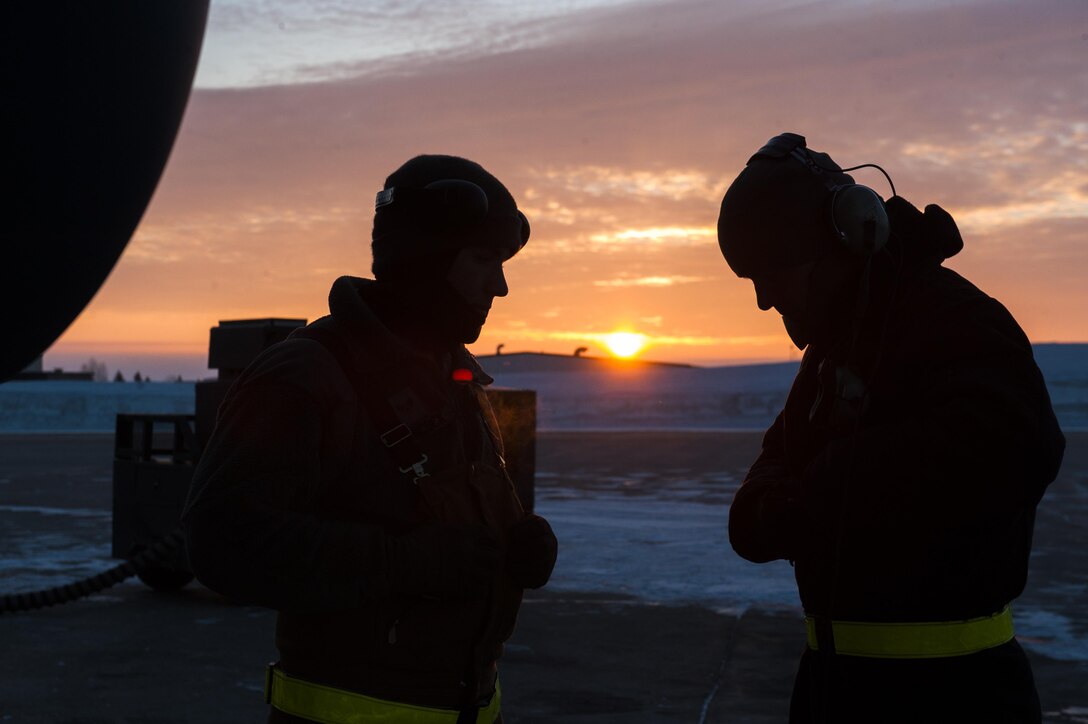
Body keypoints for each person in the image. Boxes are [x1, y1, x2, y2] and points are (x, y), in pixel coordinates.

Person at [182, 154, 558, 724]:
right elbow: (223, 539)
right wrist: (404, 562)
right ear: (426, 258)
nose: (500, 286)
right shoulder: (306, 376)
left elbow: (440, 514)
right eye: (483, 259)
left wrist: (515, 540)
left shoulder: (455, 377)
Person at [717, 133, 1065, 723]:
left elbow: (1012, 446)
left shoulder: (957, 321)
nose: (764, 300)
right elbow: (781, 451)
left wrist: (823, 487)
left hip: (953, 698)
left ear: (843, 236)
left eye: (773, 274)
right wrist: (767, 507)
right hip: (838, 690)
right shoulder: (835, 345)